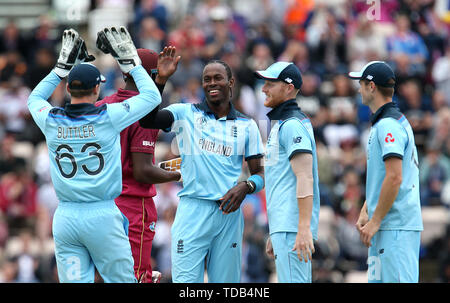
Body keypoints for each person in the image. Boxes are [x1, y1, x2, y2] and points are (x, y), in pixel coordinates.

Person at [27, 27, 162, 282]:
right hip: (102, 215)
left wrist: (59, 69)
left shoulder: (51, 119)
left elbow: (34, 98)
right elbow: (152, 96)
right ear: (97, 90)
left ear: (68, 89)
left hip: (65, 216)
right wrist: (131, 63)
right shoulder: (108, 116)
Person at [139, 59, 265, 283]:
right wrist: (160, 80)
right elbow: (148, 120)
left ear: (231, 82)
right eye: (207, 79)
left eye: (218, 78)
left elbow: (260, 174)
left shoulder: (248, 125)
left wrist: (246, 187)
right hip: (192, 211)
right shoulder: (185, 113)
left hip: (229, 214)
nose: (211, 83)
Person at [95, 46, 181, 283]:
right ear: (153, 75)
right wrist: (178, 174)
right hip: (133, 206)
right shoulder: (144, 111)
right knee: (136, 276)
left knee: (103, 275)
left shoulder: (101, 106)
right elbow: (142, 171)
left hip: (100, 203)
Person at [349, 61, 423, 283]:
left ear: (371, 86)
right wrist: (366, 209)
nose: (359, 88)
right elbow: (382, 176)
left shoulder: (388, 125)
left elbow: (394, 177)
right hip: (386, 226)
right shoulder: (386, 122)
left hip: (395, 227)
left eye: (361, 83)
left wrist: (375, 221)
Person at [254, 62, 320, 283]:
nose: (264, 88)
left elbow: (305, 176)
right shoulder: (282, 123)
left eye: (270, 83)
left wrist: (302, 228)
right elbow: (279, 178)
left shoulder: (292, 124)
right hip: (285, 227)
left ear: (288, 88)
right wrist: (276, 230)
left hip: (293, 227)